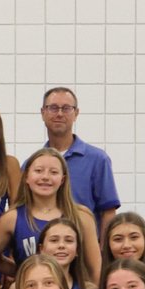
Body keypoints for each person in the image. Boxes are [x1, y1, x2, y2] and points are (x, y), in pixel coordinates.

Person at [0, 148, 101, 279]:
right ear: (26, 177)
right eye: (38, 171)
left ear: (62, 180)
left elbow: (95, 270)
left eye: (53, 172)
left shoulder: (82, 217)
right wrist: (21, 272)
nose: (45, 177)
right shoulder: (12, 218)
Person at [41, 87, 119, 232]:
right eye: (53, 108)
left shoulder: (98, 160)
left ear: (76, 113)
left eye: (66, 108)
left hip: (86, 249)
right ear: (42, 113)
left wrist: (101, 252)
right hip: (43, 250)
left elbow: (108, 212)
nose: (59, 114)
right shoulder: (33, 165)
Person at [4, 218, 98, 289]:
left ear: (77, 250)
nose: (61, 245)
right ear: (41, 249)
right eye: (54, 240)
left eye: (69, 240)